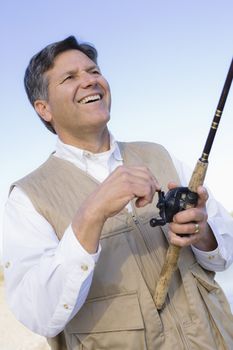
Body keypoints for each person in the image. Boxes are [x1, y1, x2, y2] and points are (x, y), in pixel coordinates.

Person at [3, 35, 233, 350]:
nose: (89, 81)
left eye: (93, 71)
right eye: (70, 77)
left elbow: (224, 256)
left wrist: (202, 231)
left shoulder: (159, 154)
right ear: (43, 108)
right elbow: (39, 315)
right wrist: (91, 213)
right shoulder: (27, 197)